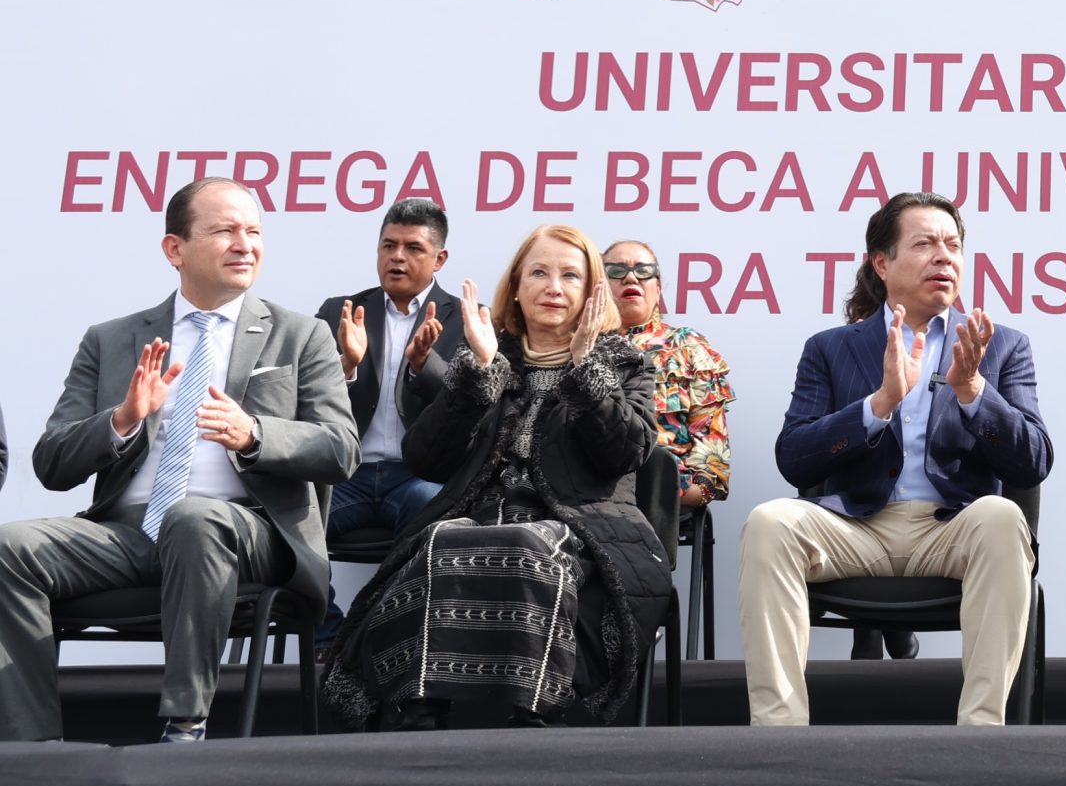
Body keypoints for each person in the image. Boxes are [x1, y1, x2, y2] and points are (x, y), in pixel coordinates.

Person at [1, 179, 356, 742]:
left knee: (194, 517)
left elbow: (341, 448)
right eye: (225, 231)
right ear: (175, 249)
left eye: (254, 231)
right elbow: (51, 461)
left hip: (248, 532)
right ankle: (32, 746)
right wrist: (122, 420)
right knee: (9, 547)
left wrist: (255, 433)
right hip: (130, 535)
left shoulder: (301, 335)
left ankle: (184, 724)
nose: (245, 244)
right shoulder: (111, 339)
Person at [324, 225, 671, 730]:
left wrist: (584, 366)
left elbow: (625, 454)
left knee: (534, 543)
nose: (554, 287)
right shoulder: (488, 359)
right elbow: (425, 460)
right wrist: (478, 377)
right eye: (539, 273)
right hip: (478, 514)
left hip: (582, 525)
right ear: (515, 287)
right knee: (442, 538)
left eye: (570, 276)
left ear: (592, 293)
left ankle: (532, 710)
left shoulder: (621, 364)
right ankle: (420, 710)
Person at [740, 194, 1050, 726]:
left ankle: (981, 731)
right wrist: (878, 404)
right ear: (881, 263)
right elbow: (794, 458)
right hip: (854, 529)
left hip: (948, 530)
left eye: (953, 246)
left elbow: (1034, 462)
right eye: (925, 244)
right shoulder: (831, 348)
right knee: (770, 523)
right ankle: (779, 732)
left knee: (1002, 517)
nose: (944, 257)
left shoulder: (1000, 347)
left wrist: (974, 389)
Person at [312, 199, 473, 645]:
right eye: (388, 245)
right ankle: (330, 640)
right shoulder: (338, 312)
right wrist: (346, 363)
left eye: (412, 248)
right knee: (288, 519)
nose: (397, 257)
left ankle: (387, 637)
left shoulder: (465, 319)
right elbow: (306, 402)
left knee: (437, 517)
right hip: (347, 474)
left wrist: (425, 366)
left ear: (439, 258)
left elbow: (471, 407)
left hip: (417, 477)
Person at [604, 239, 734, 512]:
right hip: (587, 488)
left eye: (643, 270)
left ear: (658, 286)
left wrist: (689, 492)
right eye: (616, 270)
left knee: (656, 464)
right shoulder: (578, 348)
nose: (630, 277)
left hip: (662, 491)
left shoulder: (688, 347)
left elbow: (711, 446)